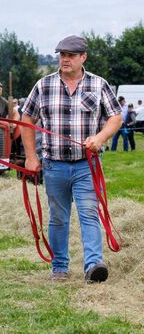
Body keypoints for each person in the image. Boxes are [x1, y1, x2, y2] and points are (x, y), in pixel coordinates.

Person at [21, 35, 122, 283]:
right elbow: (27, 119)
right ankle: (60, 268)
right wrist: (31, 156)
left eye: (70, 55)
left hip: (86, 165)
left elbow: (116, 117)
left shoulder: (99, 85)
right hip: (54, 165)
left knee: (89, 213)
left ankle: (93, 266)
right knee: (58, 217)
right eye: (62, 55)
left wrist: (99, 138)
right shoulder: (43, 85)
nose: (65, 59)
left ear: (83, 57)